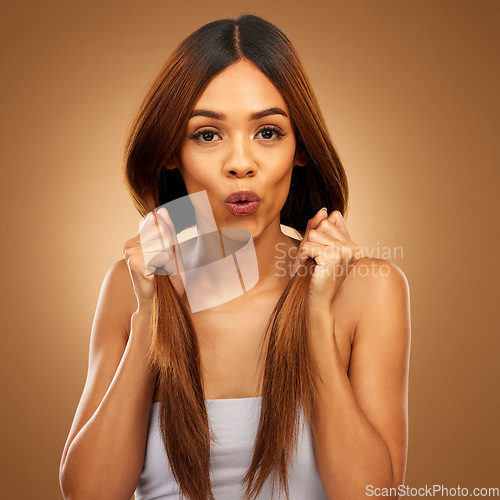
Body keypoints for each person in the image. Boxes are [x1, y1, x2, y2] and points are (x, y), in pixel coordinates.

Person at [59, 14, 411, 500]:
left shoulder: (368, 288)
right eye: (208, 134)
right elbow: (88, 494)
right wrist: (151, 316)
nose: (241, 162)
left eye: (268, 132)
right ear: (170, 152)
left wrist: (314, 316)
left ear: (300, 149)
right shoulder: (131, 285)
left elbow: (372, 493)